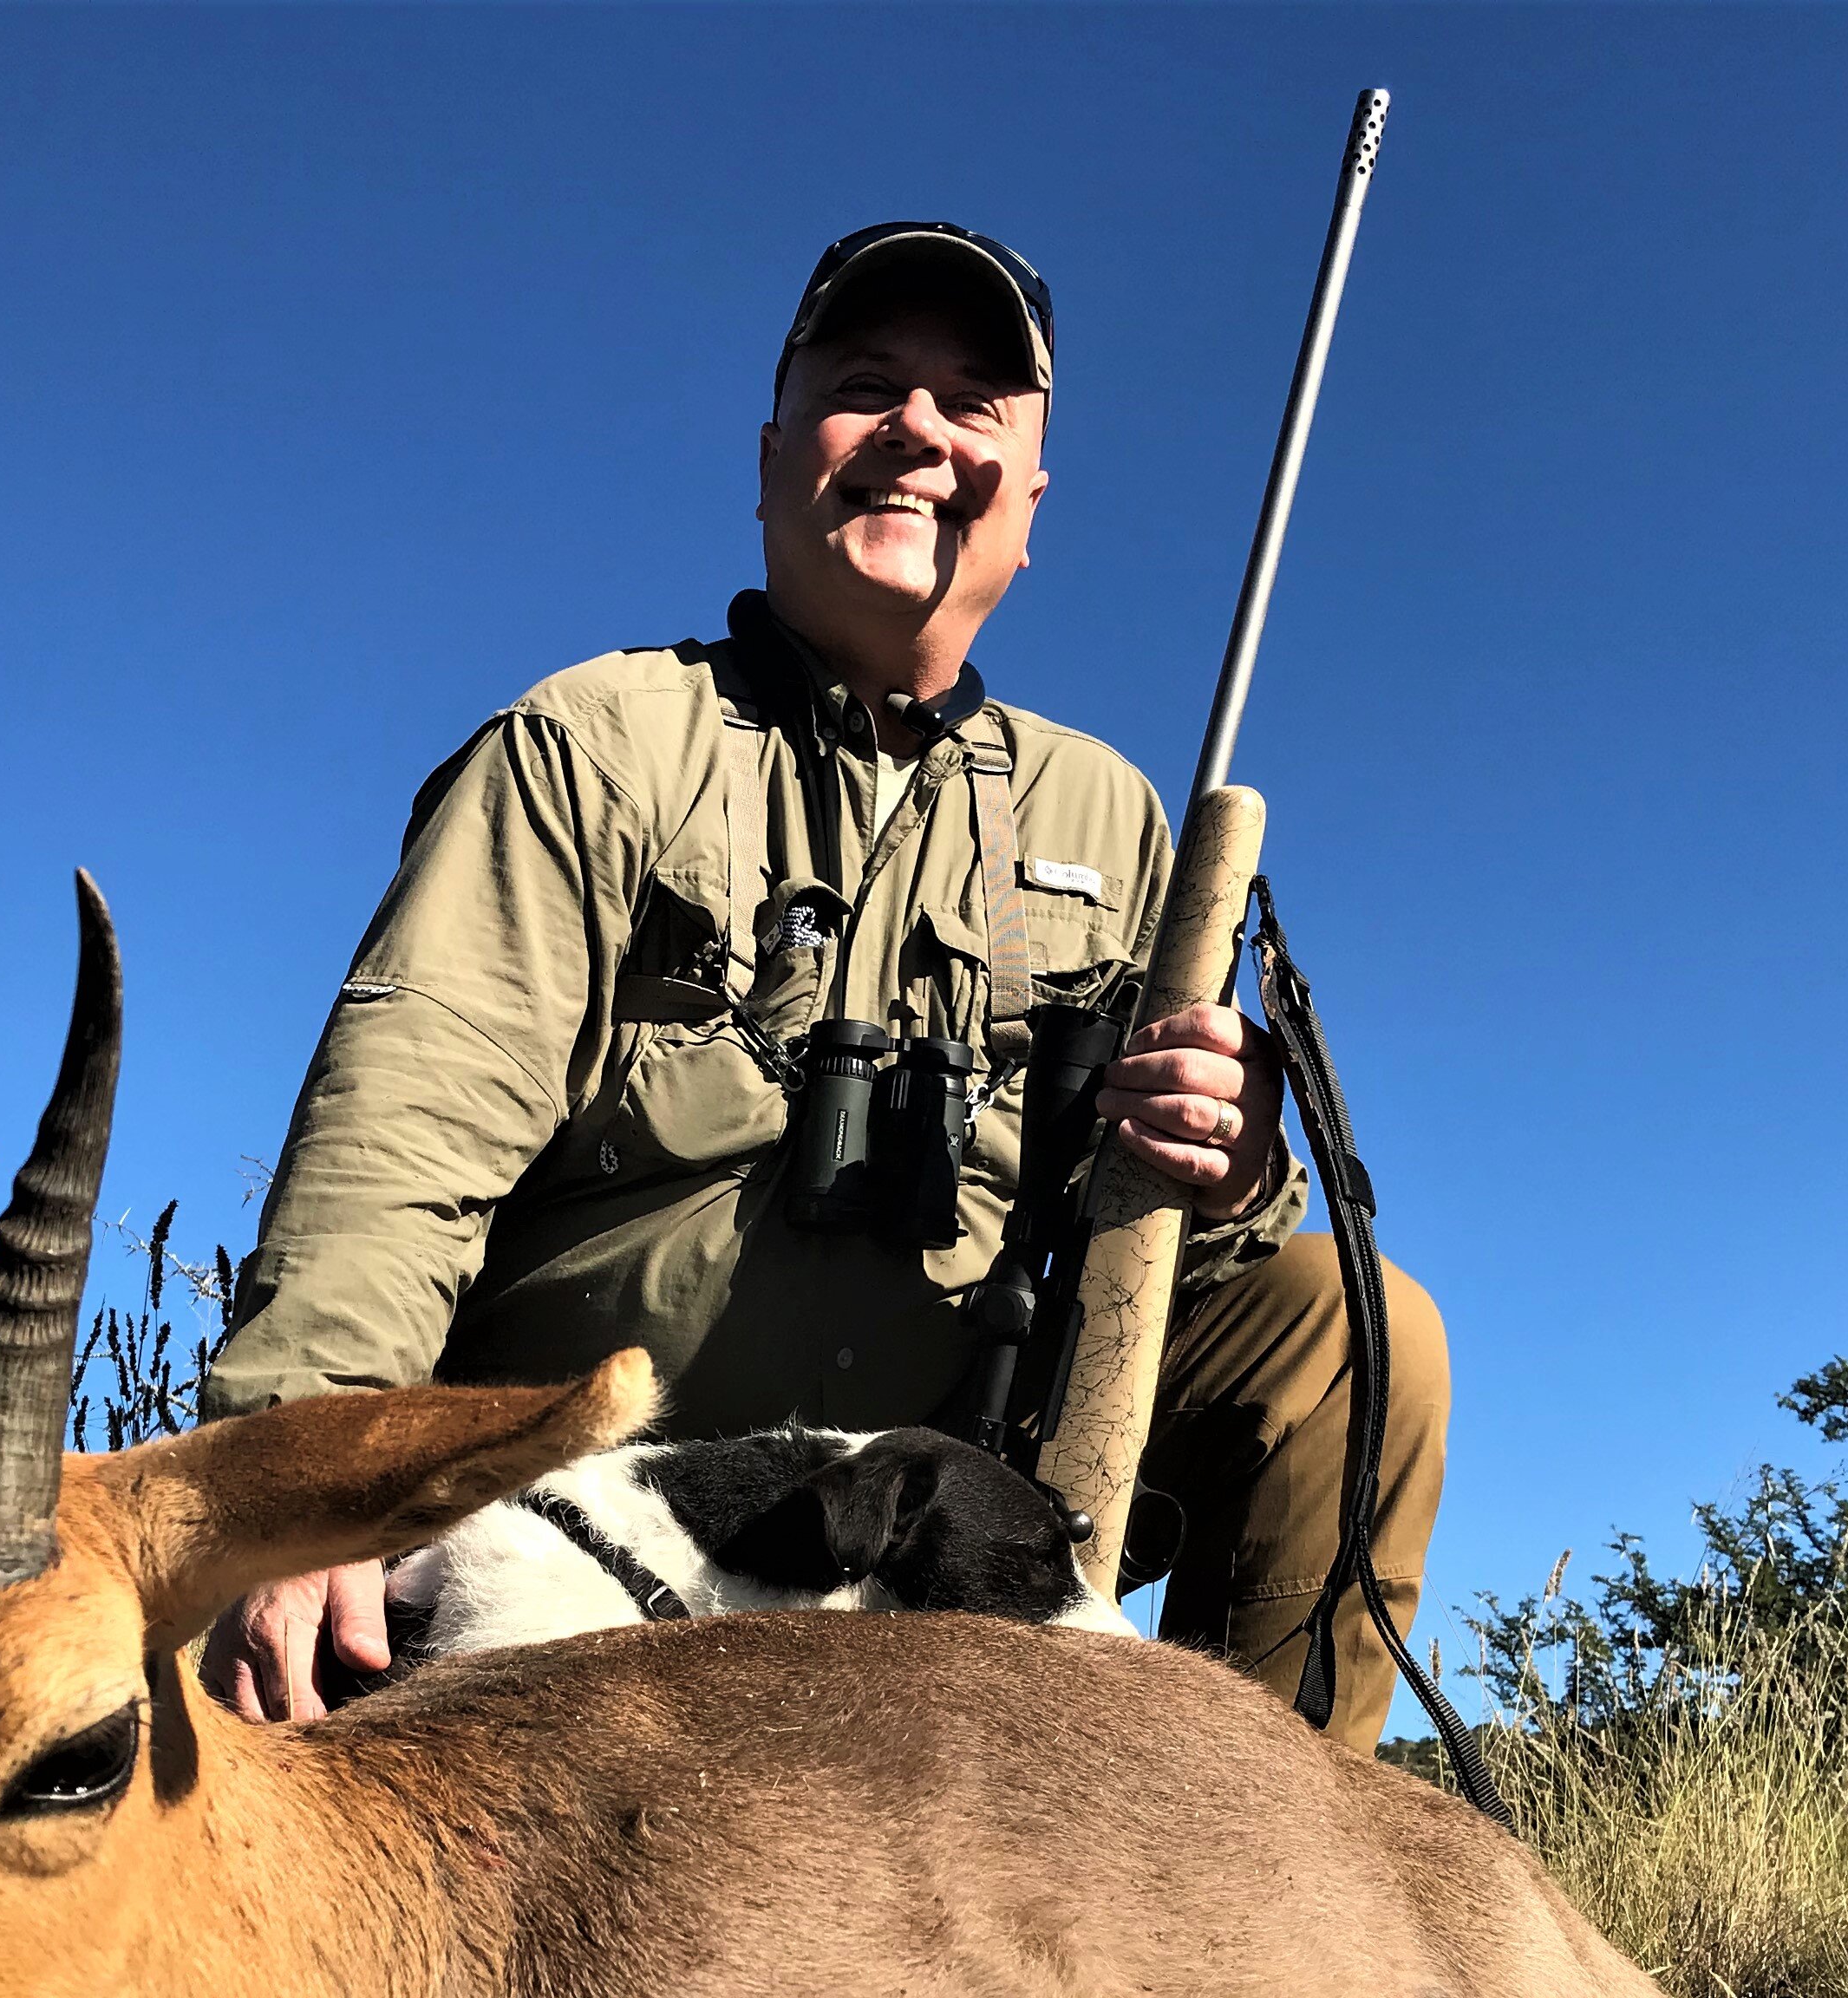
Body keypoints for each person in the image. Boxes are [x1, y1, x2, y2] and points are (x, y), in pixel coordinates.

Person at [199, 219, 1449, 1743]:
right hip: (578, 1520)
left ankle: (1262, 1888)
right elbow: (408, 1127)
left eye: (976, 402)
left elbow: (1163, 1259)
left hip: (935, 1520)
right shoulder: (597, 742)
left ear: (1030, 501)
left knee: (1345, 1322)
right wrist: (305, 1487)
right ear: (780, 446)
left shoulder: (1114, 815)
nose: (920, 429)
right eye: (868, 385)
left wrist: (1232, 1166)